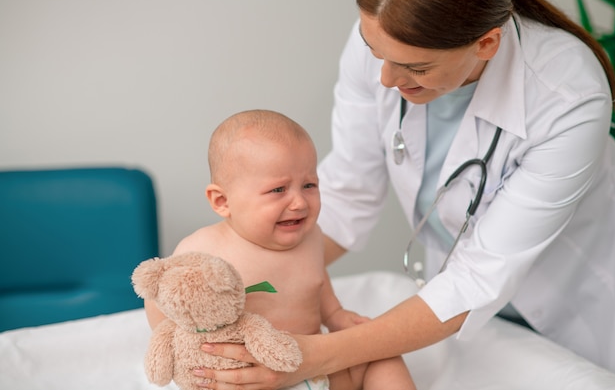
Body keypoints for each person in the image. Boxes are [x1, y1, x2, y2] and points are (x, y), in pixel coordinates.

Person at [189, 0, 615, 386]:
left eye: (415, 68)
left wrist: (317, 353)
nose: (385, 78)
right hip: (447, 300)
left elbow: (479, 277)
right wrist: (250, 278)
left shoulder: (568, 95)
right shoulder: (384, 42)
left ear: (487, 43)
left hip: (574, 304)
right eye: (376, 53)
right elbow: (348, 194)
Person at [144, 109, 418, 390]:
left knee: (382, 358)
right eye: (278, 190)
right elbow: (161, 298)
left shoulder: (311, 237)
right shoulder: (204, 250)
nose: (299, 202)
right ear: (222, 200)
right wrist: (183, 348)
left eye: (309, 185)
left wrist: (335, 314)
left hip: (317, 363)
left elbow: (315, 281)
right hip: (250, 378)